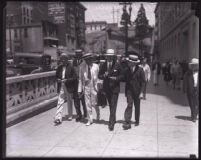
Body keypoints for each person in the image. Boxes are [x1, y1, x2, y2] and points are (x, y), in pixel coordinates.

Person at [98, 49, 123, 131]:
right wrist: (103, 75)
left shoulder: (117, 64)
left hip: (115, 88)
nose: (109, 58)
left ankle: (111, 123)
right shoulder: (103, 65)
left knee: (113, 104)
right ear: (106, 56)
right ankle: (114, 119)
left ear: (113, 56)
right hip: (107, 88)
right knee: (111, 105)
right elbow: (99, 76)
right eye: (108, 56)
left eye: (110, 56)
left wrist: (116, 78)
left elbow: (122, 76)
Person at [122, 54, 146, 130]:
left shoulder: (140, 70)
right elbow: (124, 79)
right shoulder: (127, 70)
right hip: (129, 91)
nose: (128, 63)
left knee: (137, 106)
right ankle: (127, 121)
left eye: (129, 62)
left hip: (137, 92)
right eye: (128, 62)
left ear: (134, 63)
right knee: (129, 105)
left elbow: (143, 82)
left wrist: (142, 92)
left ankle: (137, 120)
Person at [54, 53, 77, 125]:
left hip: (68, 86)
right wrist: (58, 79)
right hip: (61, 85)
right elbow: (56, 76)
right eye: (61, 59)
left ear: (67, 60)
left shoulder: (71, 67)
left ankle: (70, 115)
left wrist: (67, 80)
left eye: (64, 59)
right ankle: (58, 117)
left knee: (69, 100)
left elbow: (75, 78)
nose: (63, 61)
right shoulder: (59, 67)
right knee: (60, 101)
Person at [78, 53, 100, 126]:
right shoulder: (82, 67)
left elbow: (99, 77)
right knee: (87, 103)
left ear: (91, 59)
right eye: (86, 60)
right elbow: (80, 79)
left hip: (94, 87)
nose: (88, 61)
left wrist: (99, 86)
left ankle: (98, 112)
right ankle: (90, 119)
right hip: (86, 86)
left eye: (89, 59)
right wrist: (80, 90)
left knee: (94, 103)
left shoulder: (96, 66)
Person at [72, 49, 87, 122]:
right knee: (76, 101)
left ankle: (85, 113)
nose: (78, 56)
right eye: (77, 54)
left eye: (79, 54)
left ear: (81, 55)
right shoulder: (73, 62)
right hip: (75, 84)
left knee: (84, 100)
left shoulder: (85, 62)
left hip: (83, 84)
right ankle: (79, 115)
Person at [183, 58, 199, 122]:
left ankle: (195, 114)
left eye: (195, 65)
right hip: (190, 90)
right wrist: (185, 89)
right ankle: (194, 116)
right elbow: (185, 81)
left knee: (197, 104)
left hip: (198, 90)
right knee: (192, 104)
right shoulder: (188, 73)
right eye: (193, 65)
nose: (194, 66)